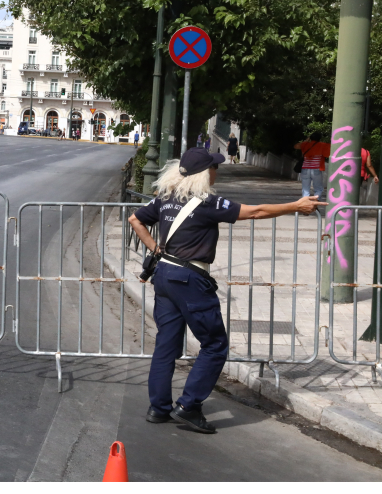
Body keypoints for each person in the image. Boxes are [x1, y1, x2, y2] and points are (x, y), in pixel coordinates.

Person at [128, 148, 325, 434]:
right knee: (215, 344)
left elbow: (135, 219)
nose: (216, 172)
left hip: (164, 276)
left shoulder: (166, 198)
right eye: (214, 168)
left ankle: (158, 409)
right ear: (204, 173)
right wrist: (296, 205)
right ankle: (189, 406)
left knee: (166, 345)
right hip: (190, 279)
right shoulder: (206, 202)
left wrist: (156, 250)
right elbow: (254, 211)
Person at [294, 132, 330, 201]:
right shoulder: (323, 145)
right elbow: (327, 155)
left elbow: (296, 146)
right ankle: (315, 202)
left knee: (305, 189)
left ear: (311, 138)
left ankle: (305, 203)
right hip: (316, 169)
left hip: (305, 169)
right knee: (318, 188)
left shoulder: (305, 145)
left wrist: (307, 140)